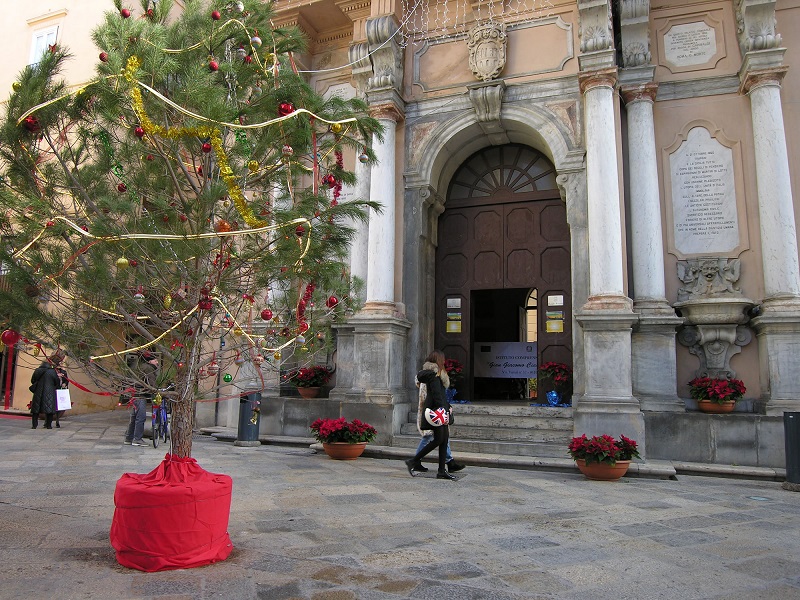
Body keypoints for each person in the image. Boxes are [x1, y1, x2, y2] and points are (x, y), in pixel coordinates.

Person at [404, 350, 458, 481]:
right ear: (438, 360)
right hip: (436, 412)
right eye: (442, 359)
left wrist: (447, 407)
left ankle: (441, 471)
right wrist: (443, 410)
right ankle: (413, 460)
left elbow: (441, 396)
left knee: (444, 439)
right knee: (439, 440)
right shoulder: (434, 376)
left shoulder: (435, 375)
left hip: (440, 410)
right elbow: (436, 396)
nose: (444, 361)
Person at [413, 355, 465, 474]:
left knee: (441, 437)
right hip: (433, 412)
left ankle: (448, 462)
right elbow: (431, 396)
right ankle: (416, 460)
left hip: (436, 411)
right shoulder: (431, 376)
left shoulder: (434, 375)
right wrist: (442, 409)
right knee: (431, 437)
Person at [124, 353, 158, 447]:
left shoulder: (140, 366)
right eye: (155, 360)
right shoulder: (148, 368)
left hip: (135, 394)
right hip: (140, 394)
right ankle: (137, 439)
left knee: (134, 417)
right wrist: (157, 392)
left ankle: (129, 438)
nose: (157, 362)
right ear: (150, 361)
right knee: (141, 417)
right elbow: (151, 384)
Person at [29, 350, 66, 430]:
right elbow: (57, 383)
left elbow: (33, 380)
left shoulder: (38, 370)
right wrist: (59, 378)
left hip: (38, 391)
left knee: (36, 409)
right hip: (49, 392)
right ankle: (48, 425)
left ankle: (34, 425)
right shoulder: (53, 372)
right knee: (49, 409)